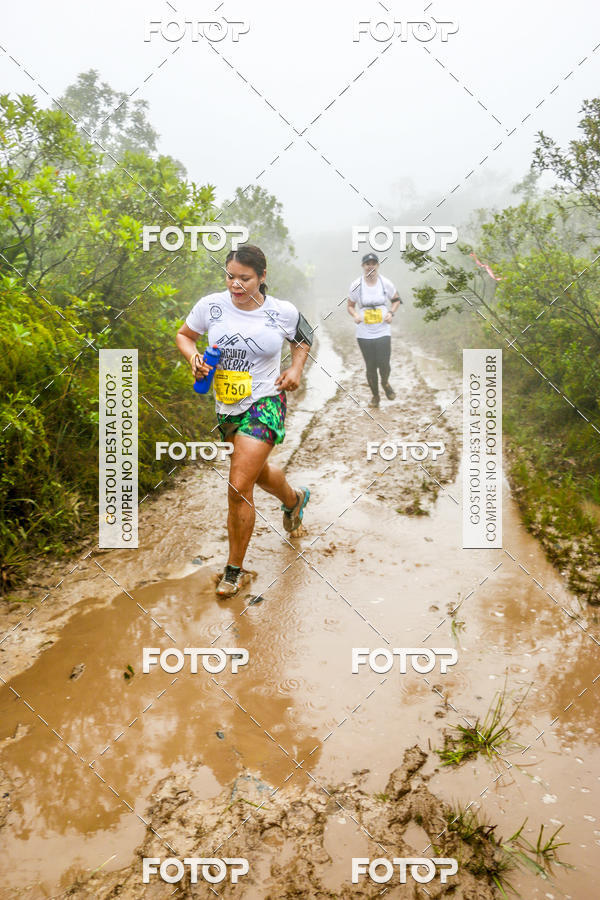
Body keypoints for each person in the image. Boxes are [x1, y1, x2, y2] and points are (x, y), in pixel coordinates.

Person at [176, 244, 313, 598]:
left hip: (265, 401)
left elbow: (304, 338)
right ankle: (294, 500)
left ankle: (233, 570)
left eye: (245, 278)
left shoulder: (281, 311)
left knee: (238, 486)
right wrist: (193, 358)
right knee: (254, 471)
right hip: (227, 406)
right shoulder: (212, 306)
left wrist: (295, 368)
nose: (235, 284)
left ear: (262, 277)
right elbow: (184, 335)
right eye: (230, 276)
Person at [347, 253, 402, 407]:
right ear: (363, 266)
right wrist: (355, 315)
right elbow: (350, 306)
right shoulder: (356, 285)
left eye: (373, 263)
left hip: (383, 329)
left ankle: (385, 382)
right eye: (367, 264)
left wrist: (391, 313)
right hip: (364, 331)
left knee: (384, 363)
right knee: (370, 365)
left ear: (377, 265)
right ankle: (375, 396)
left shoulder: (386, 283)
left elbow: (396, 300)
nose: (370, 266)